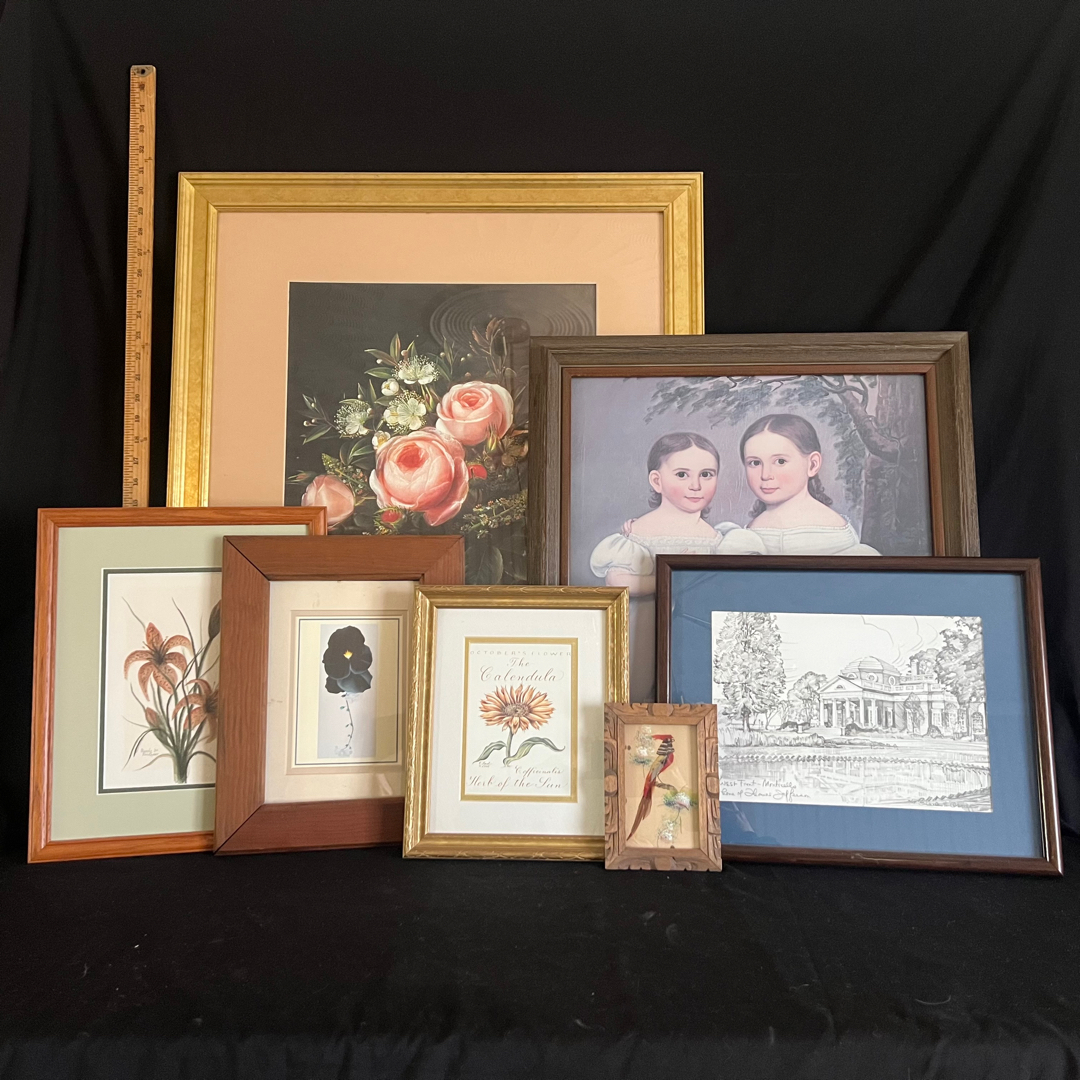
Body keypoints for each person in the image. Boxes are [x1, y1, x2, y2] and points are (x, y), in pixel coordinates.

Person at [590, 432, 730, 701]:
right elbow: (617, 581)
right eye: (682, 475)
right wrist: (670, 579)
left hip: (695, 628)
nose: (696, 485)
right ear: (657, 481)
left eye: (706, 475)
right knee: (641, 688)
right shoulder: (641, 531)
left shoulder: (717, 538)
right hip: (645, 628)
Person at [718, 414, 880, 555]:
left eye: (780, 461)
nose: (765, 475)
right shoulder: (751, 531)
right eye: (755, 463)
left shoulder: (832, 531)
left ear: (812, 464)